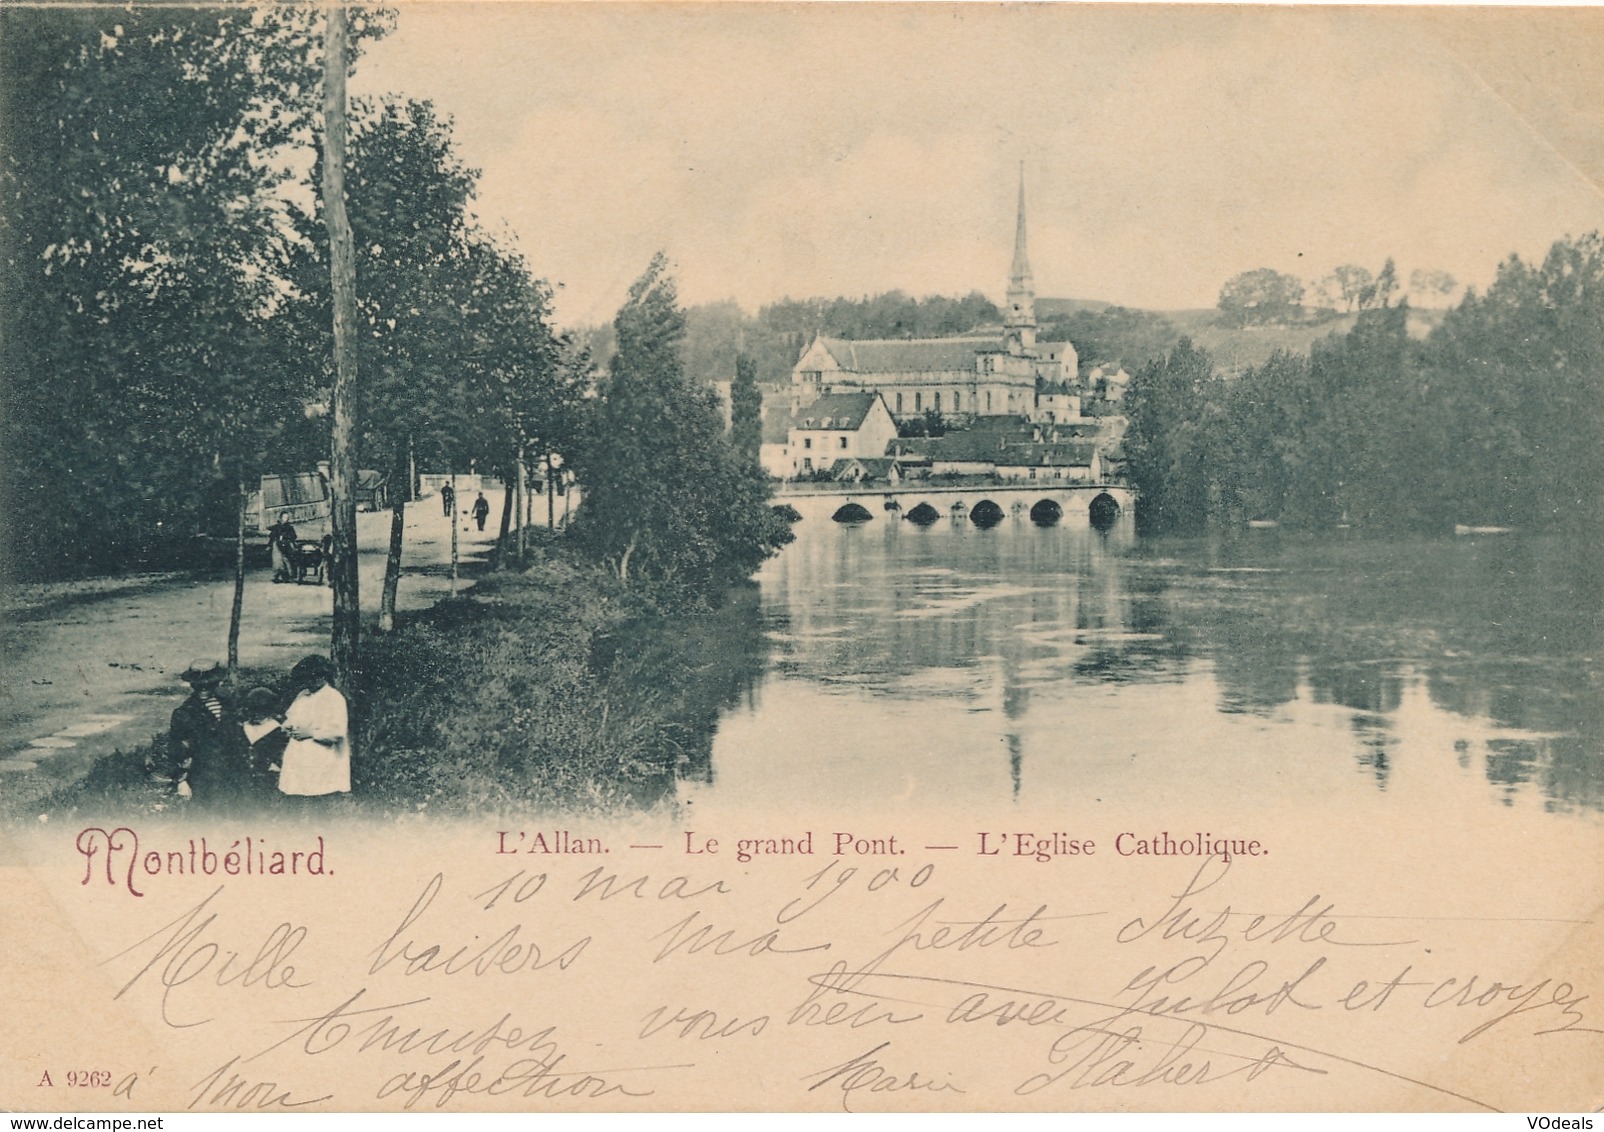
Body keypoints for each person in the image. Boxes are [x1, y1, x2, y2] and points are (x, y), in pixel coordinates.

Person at [278, 654, 350, 803]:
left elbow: (337, 733)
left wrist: (310, 733)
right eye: (306, 680)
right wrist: (289, 726)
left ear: (322, 677)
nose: (308, 683)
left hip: (322, 760)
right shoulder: (303, 696)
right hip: (299, 759)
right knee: (297, 799)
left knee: (319, 799)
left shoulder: (334, 698)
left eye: (312, 679)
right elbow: (291, 716)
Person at [167, 658, 232, 803]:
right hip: (203, 778)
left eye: (208, 684)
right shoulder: (184, 713)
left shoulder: (230, 705)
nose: (203, 688)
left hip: (234, 774)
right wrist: (181, 781)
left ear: (217, 682)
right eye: (198, 685)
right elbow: (177, 749)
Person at [239, 686, 287, 804]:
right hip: (243, 779)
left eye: (261, 711)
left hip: (266, 779)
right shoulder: (243, 727)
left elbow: (281, 755)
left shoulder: (276, 729)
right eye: (252, 710)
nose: (256, 715)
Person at [268, 516, 297, 583]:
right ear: (281, 518)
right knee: (277, 561)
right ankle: (276, 576)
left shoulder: (290, 527)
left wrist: (290, 540)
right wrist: (269, 545)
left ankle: (287, 577)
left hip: (286, 544)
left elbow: (294, 536)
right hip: (277, 545)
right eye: (284, 517)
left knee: (287, 560)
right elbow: (272, 536)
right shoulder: (276, 527)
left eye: (287, 517)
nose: (285, 518)